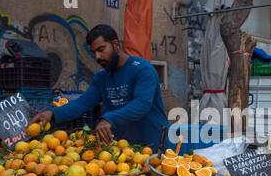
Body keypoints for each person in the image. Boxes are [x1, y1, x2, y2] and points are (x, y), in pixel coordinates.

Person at [30, 25, 169, 150]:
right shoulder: (102, 77)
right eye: (94, 52)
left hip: (154, 147)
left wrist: (108, 118)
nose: (97, 56)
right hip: (124, 149)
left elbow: (142, 104)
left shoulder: (142, 70)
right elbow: (82, 104)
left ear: (115, 45)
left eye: (101, 50)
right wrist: (52, 114)